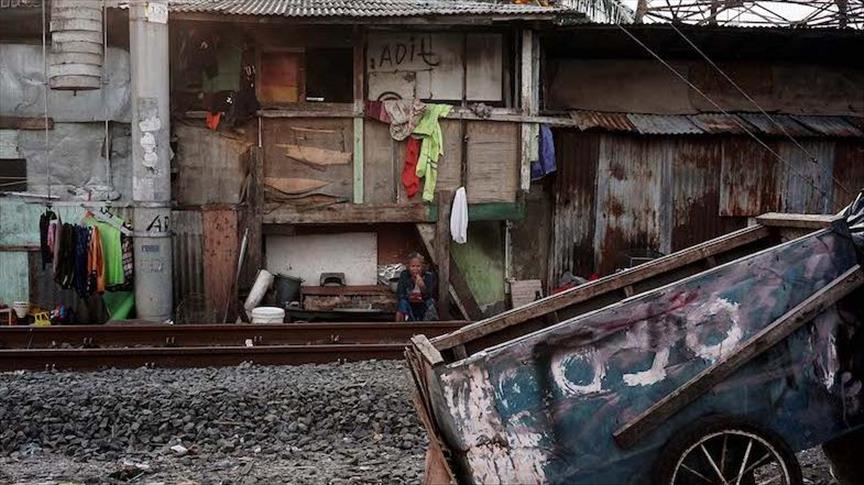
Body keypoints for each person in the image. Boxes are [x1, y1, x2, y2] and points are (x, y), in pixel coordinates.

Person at [395, 252, 438, 322]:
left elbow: (430, 295)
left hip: (423, 304)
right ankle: (400, 327)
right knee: (402, 303)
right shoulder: (404, 275)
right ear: (409, 267)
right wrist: (410, 295)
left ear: (422, 267)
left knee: (430, 302)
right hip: (409, 304)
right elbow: (400, 293)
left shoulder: (428, 276)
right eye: (413, 266)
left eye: (418, 266)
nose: (415, 269)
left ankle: (429, 326)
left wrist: (422, 286)